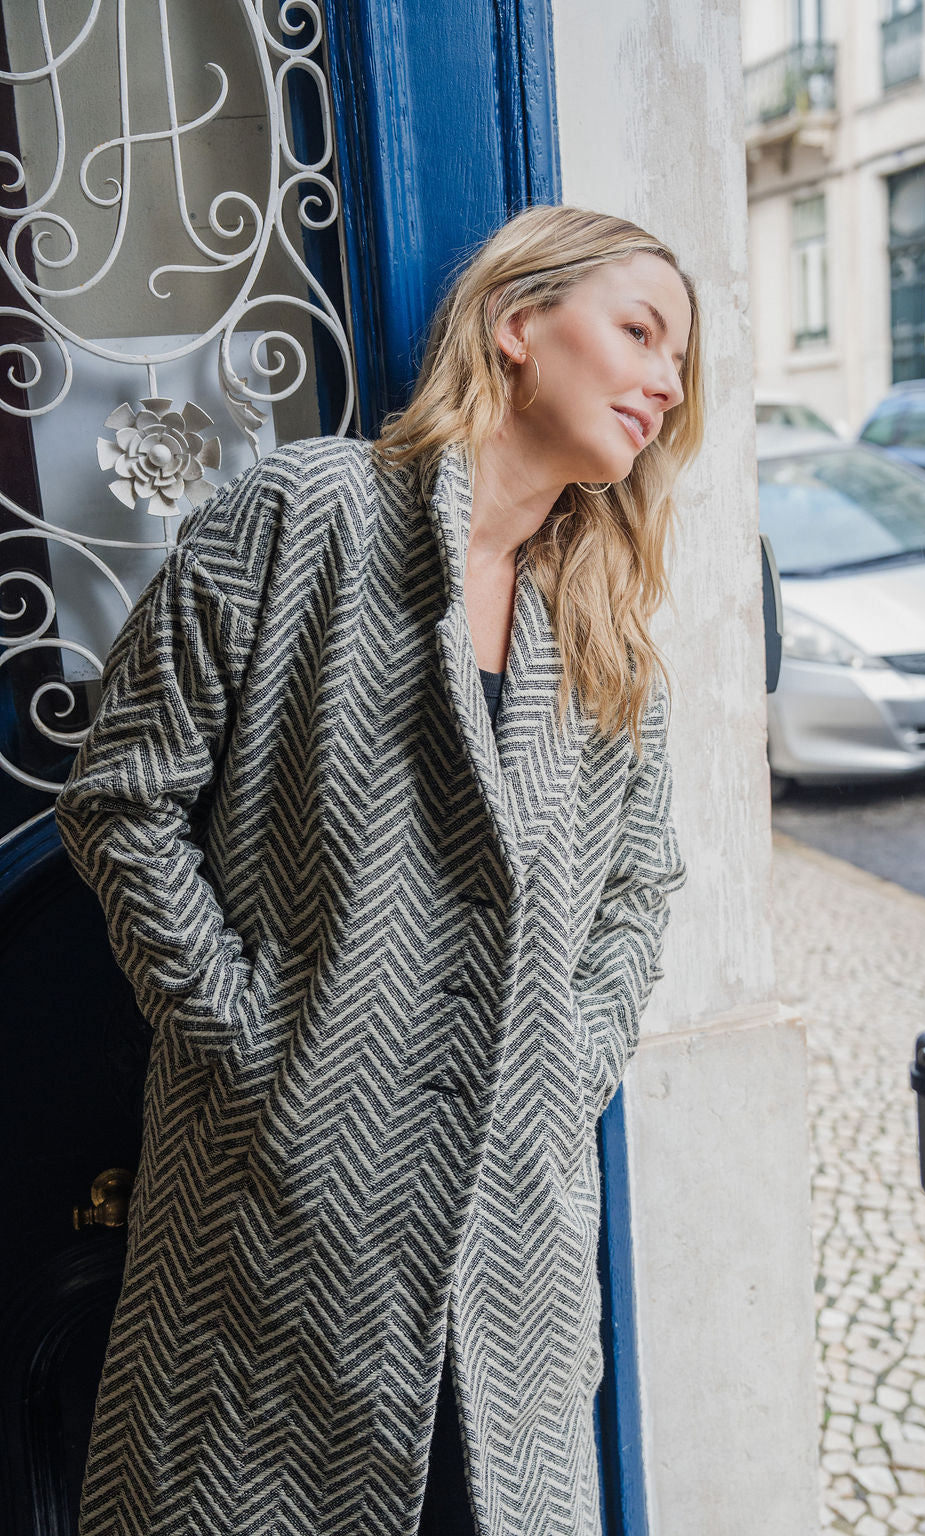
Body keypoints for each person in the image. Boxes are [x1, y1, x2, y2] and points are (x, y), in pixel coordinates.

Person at [55, 203, 703, 1536]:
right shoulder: (307, 514)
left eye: (681, 362)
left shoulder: (600, 622)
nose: (667, 383)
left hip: (507, 1250)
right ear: (519, 324)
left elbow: (640, 890)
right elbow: (122, 795)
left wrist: (565, 1064)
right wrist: (246, 1042)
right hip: (277, 1225)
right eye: (641, 332)